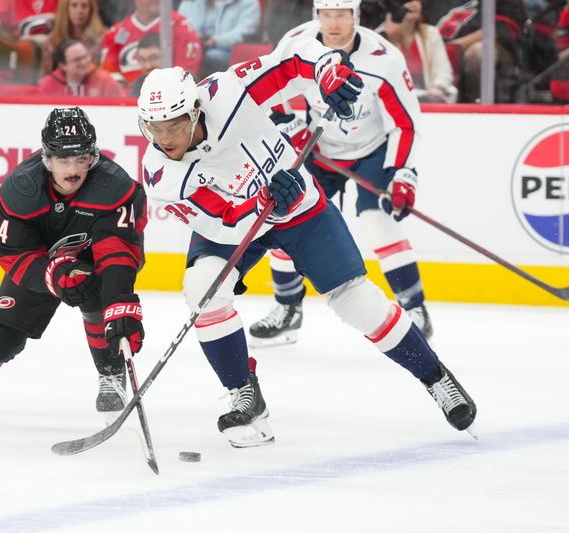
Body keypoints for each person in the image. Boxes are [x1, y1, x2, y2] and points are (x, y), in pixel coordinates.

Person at [137, 63, 476, 445]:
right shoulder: (159, 172)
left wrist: (326, 73)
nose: (165, 138)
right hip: (236, 224)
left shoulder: (226, 91)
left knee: (356, 301)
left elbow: (290, 63)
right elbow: (225, 220)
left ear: (196, 111)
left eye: (174, 125)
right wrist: (262, 202)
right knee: (202, 288)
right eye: (155, 127)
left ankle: (436, 378)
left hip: (300, 207)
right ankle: (245, 397)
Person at [0, 107, 147, 417]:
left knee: (102, 302)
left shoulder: (116, 187)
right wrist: (54, 273)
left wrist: (119, 302)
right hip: (40, 265)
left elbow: (117, 251)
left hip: (92, 263)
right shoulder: (20, 189)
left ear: (93, 156)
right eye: (64, 160)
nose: (74, 169)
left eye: (81, 159)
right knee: (0, 342)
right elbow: (13, 254)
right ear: (47, 159)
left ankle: (111, 374)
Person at [249, 0, 435, 347]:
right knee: (286, 219)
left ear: (356, 17)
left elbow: (405, 123)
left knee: (377, 221)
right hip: (320, 150)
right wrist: (292, 125)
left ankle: (414, 307)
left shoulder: (384, 59)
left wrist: (402, 173)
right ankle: (287, 309)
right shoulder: (297, 44)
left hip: (372, 152)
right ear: (316, 15)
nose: (333, 23)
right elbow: (271, 92)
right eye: (326, 14)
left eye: (342, 15)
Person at [427, 0, 526, 102]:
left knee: (478, 53)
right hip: (436, 45)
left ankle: (476, 105)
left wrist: (458, 45)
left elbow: (500, 28)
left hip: (489, 45)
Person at [100, 0, 202, 85]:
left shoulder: (182, 28)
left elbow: (185, 79)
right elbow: (110, 79)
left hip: (166, 99)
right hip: (128, 103)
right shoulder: (116, 33)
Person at [378, 0, 457, 102]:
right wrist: (389, 37)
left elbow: (444, 71)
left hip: (428, 98)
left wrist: (438, 88)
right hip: (395, 100)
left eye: (418, 1)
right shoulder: (380, 37)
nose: (415, 4)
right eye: (408, 1)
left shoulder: (431, 33)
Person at [178, 0, 261, 75]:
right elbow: (181, 26)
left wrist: (215, 41)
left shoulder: (249, 3)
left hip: (226, 50)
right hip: (194, 47)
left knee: (211, 56)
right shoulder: (191, 3)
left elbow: (244, 33)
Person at [39, 38, 126, 96]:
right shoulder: (49, 84)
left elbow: (121, 108)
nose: (83, 62)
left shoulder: (105, 81)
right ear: (63, 65)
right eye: (77, 60)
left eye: (85, 57)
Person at [41, 0, 107, 74]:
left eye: (84, 6)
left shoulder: (103, 37)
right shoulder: (53, 40)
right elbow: (47, 76)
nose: (79, 11)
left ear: (91, 10)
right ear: (65, 9)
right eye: (74, 5)